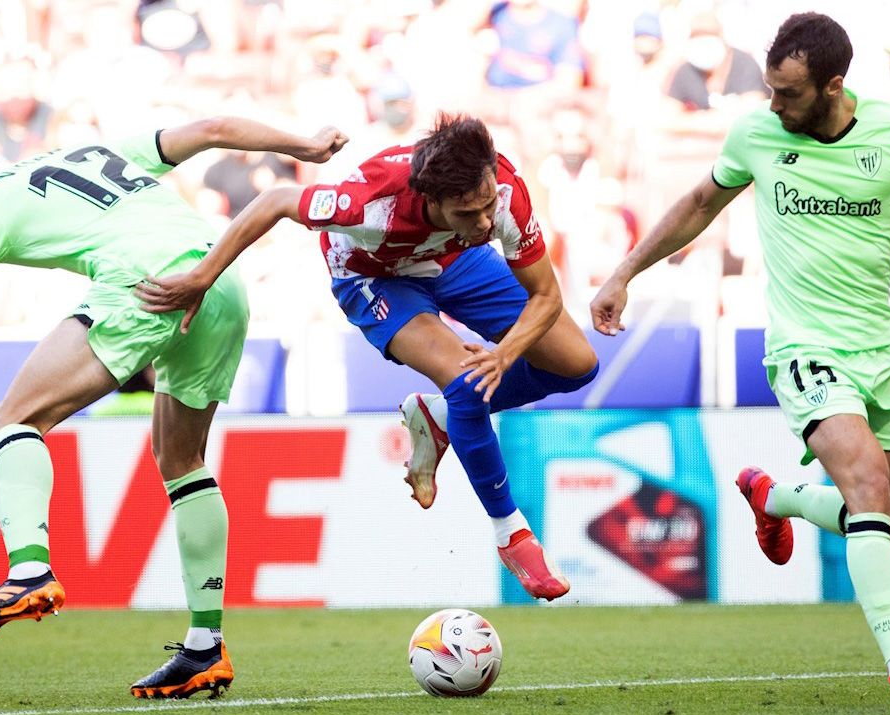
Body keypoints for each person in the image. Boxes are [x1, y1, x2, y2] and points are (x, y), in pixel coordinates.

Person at [0, 116, 348, 698]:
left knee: (13, 420)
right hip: (220, 280)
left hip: (148, 282)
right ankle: (204, 648)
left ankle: (29, 571)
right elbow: (209, 129)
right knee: (182, 460)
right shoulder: (90, 153)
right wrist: (303, 143)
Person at [590, 13, 890, 710]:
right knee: (868, 484)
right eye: (771, 90)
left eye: (787, 94)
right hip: (802, 349)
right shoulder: (756, 134)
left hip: (882, 353)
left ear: (834, 86)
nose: (772, 105)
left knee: (883, 526)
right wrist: (624, 272)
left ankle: (776, 497)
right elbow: (699, 204)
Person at [136, 114, 599, 601]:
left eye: (488, 207)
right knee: (466, 382)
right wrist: (201, 277)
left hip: (452, 260)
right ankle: (512, 534)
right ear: (431, 200)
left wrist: (503, 355)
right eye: (469, 213)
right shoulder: (367, 207)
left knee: (575, 363)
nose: (486, 222)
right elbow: (275, 201)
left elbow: (546, 296)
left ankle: (439, 415)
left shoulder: (501, 191)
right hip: (373, 276)